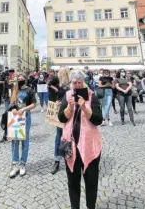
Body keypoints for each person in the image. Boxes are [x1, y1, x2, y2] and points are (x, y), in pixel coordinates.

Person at [58, 70, 103, 209]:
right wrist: (70, 107)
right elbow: (61, 118)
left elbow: (98, 120)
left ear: (83, 83)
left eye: (79, 82)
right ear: (71, 84)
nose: (77, 85)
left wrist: (84, 107)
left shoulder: (92, 97)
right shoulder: (67, 96)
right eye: (74, 82)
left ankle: (91, 207)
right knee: (72, 181)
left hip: (90, 146)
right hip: (70, 146)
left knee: (91, 182)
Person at [9, 74, 37, 178]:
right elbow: (12, 102)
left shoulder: (29, 90)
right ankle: (15, 163)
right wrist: (13, 108)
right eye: (19, 78)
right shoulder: (15, 89)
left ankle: (22, 163)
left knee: (25, 141)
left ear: (25, 79)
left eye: (22, 78)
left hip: (26, 117)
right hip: (15, 117)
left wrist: (24, 109)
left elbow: (34, 104)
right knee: (15, 140)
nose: (20, 80)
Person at [51, 67, 70, 175]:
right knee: (58, 137)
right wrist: (58, 102)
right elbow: (58, 98)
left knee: (69, 137)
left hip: (70, 115)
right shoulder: (60, 86)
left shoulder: (72, 85)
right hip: (60, 114)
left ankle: (69, 159)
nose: (58, 75)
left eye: (60, 73)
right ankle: (57, 161)